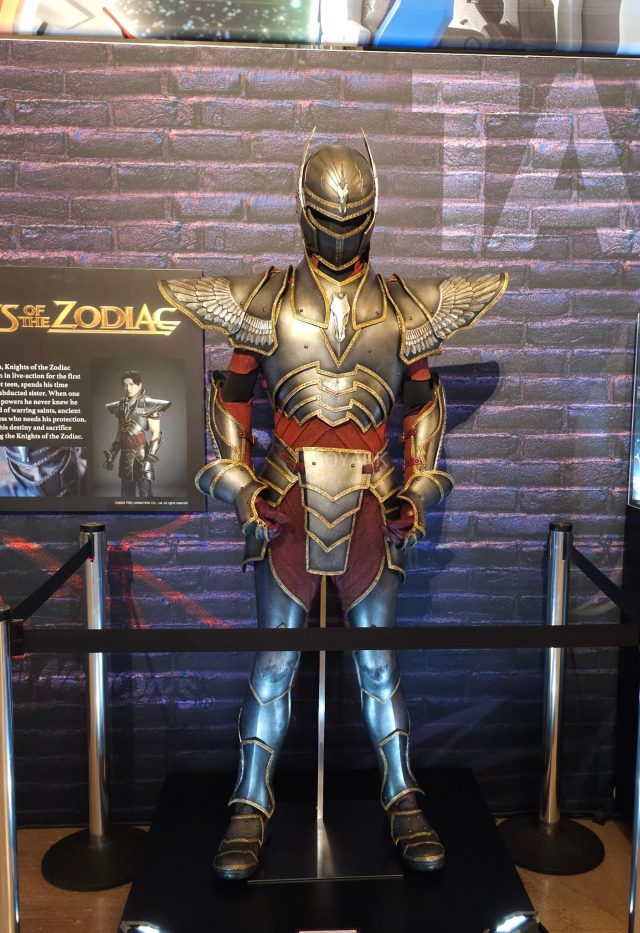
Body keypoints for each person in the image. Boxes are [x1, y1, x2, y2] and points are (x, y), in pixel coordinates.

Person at [160, 137, 507, 880]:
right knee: (273, 664)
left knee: (377, 665)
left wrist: (418, 489)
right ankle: (250, 800)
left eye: (352, 221)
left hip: (373, 504)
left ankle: (402, 793)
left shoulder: (404, 306)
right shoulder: (266, 298)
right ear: (304, 214)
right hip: (285, 502)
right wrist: (240, 487)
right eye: (328, 220)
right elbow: (231, 399)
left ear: (372, 215)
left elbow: (423, 406)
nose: (341, 235)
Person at [103, 370, 170, 499]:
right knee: (126, 496)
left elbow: (156, 433)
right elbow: (119, 432)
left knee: (145, 495)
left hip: (142, 455)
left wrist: (150, 459)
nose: (128, 388)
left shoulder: (147, 403)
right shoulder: (121, 405)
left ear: (139, 385)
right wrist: (112, 454)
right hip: (125, 455)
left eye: (131, 384)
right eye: (125, 385)